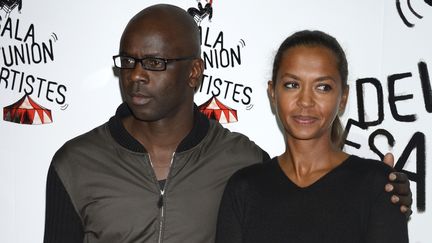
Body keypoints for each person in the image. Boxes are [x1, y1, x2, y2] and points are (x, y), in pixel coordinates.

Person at [43, 4, 411, 243]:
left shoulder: (243, 162)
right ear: (273, 92)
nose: (137, 75)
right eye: (128, 61)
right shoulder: (75, 164)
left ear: (194, 73)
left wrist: (381, 188)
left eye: (155, 63)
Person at [215, 30, 409, 243]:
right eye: (292, 85)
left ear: (343, 98)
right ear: (272, 92)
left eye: (323, 87)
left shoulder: (378, 185)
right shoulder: (244, 187)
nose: (305, 101)